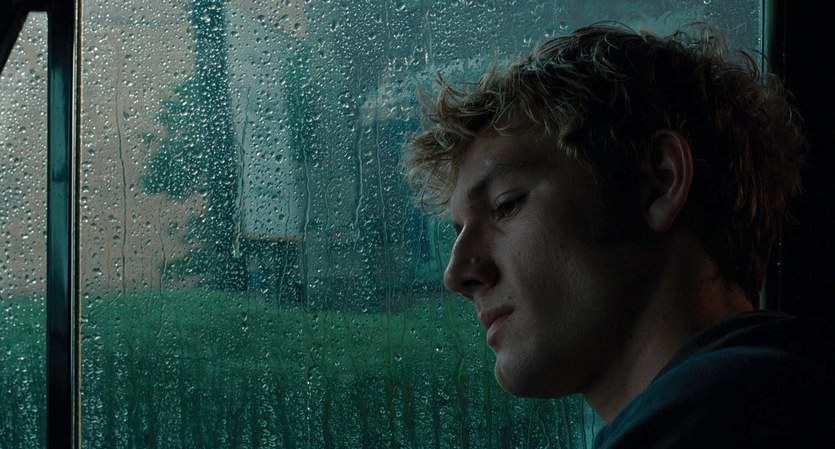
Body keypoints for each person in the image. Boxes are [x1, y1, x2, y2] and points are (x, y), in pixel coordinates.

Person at [403, 23, 835, 448]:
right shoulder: (783, 392)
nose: (456, 274)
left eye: (506, 204)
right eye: (459, 232)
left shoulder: (719, 421)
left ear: (659, 182)